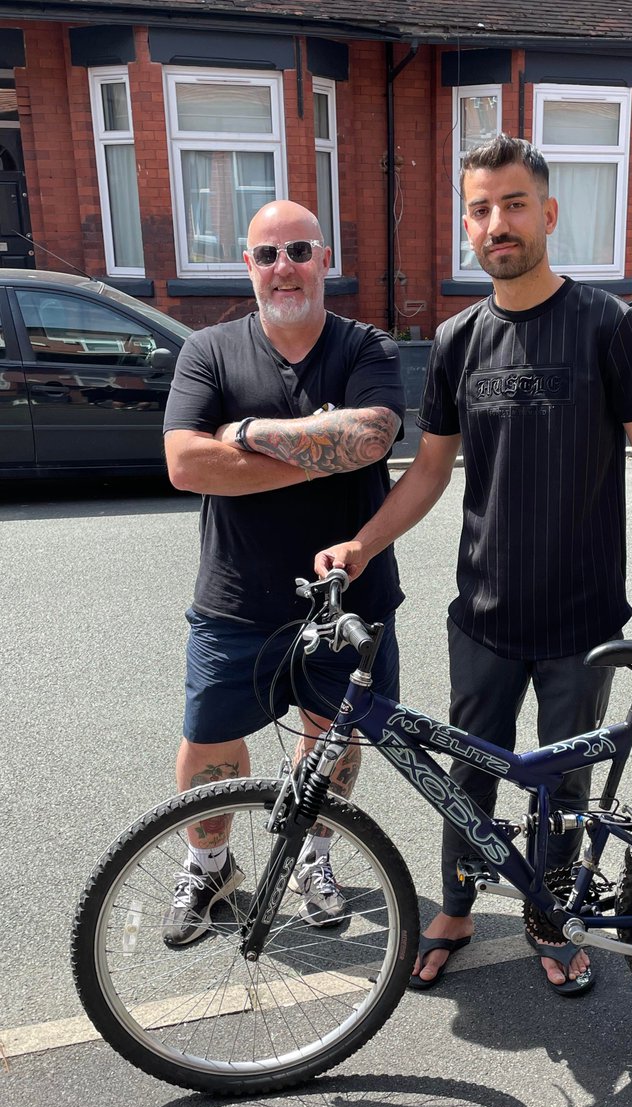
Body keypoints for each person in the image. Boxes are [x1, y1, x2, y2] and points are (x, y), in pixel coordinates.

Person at [316, 134, 632, 996]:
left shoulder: (607, 325)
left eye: (515, 204)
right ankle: (457, 904)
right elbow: (429, 470)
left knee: (564, 781)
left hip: (583, 614)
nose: (498, 222)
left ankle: (548, 914)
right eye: (482, 208)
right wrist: (364, 543)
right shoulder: (459, 339)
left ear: (548, 214)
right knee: (470, 766)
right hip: (484, 612)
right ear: (469, 223)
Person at [161, 200, 405, 945]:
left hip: (349, 594)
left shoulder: (368, 347)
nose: (283, 267)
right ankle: (210, 865)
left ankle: (315, 857)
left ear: (323, 258)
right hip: (236, 597)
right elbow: (183, 463)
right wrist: (315, 453)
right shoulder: (208, 349)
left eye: (298, 250)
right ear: (248, 266)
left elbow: (369, 440)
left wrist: (245, 438)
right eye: (267, 255)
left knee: (332, 735)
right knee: (210, 743)